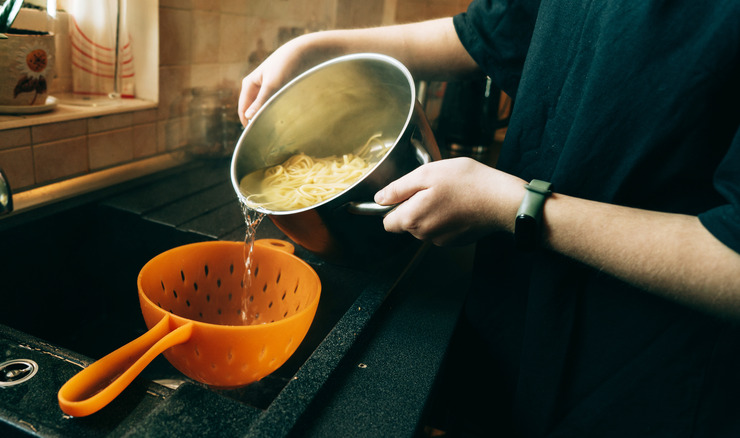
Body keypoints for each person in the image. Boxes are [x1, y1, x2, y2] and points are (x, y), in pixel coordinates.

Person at [239, 2, 740, 436]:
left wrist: (515, 207)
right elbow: (491, 31)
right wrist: (318, 48)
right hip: (520, 316)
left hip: (654, 368)